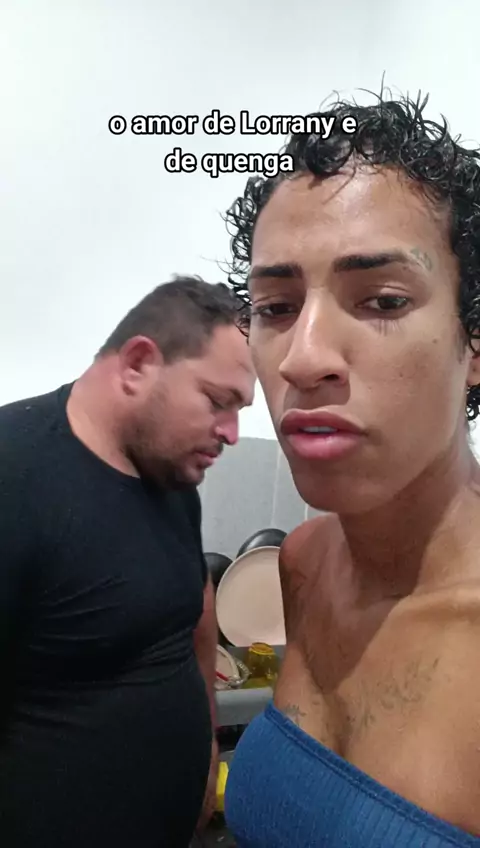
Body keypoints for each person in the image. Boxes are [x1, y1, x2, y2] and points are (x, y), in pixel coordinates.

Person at [223, 92, 480, 847]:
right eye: (275, 308)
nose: (302, 360)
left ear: (473, 343)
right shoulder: (301, 565)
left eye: (382, 300)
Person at [0, 276, 255, 848]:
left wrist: (206, 743)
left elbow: (194, 607)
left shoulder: (172, 472)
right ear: (138, 364)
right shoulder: (13, 476)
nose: (233, 434)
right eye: (219, 401)